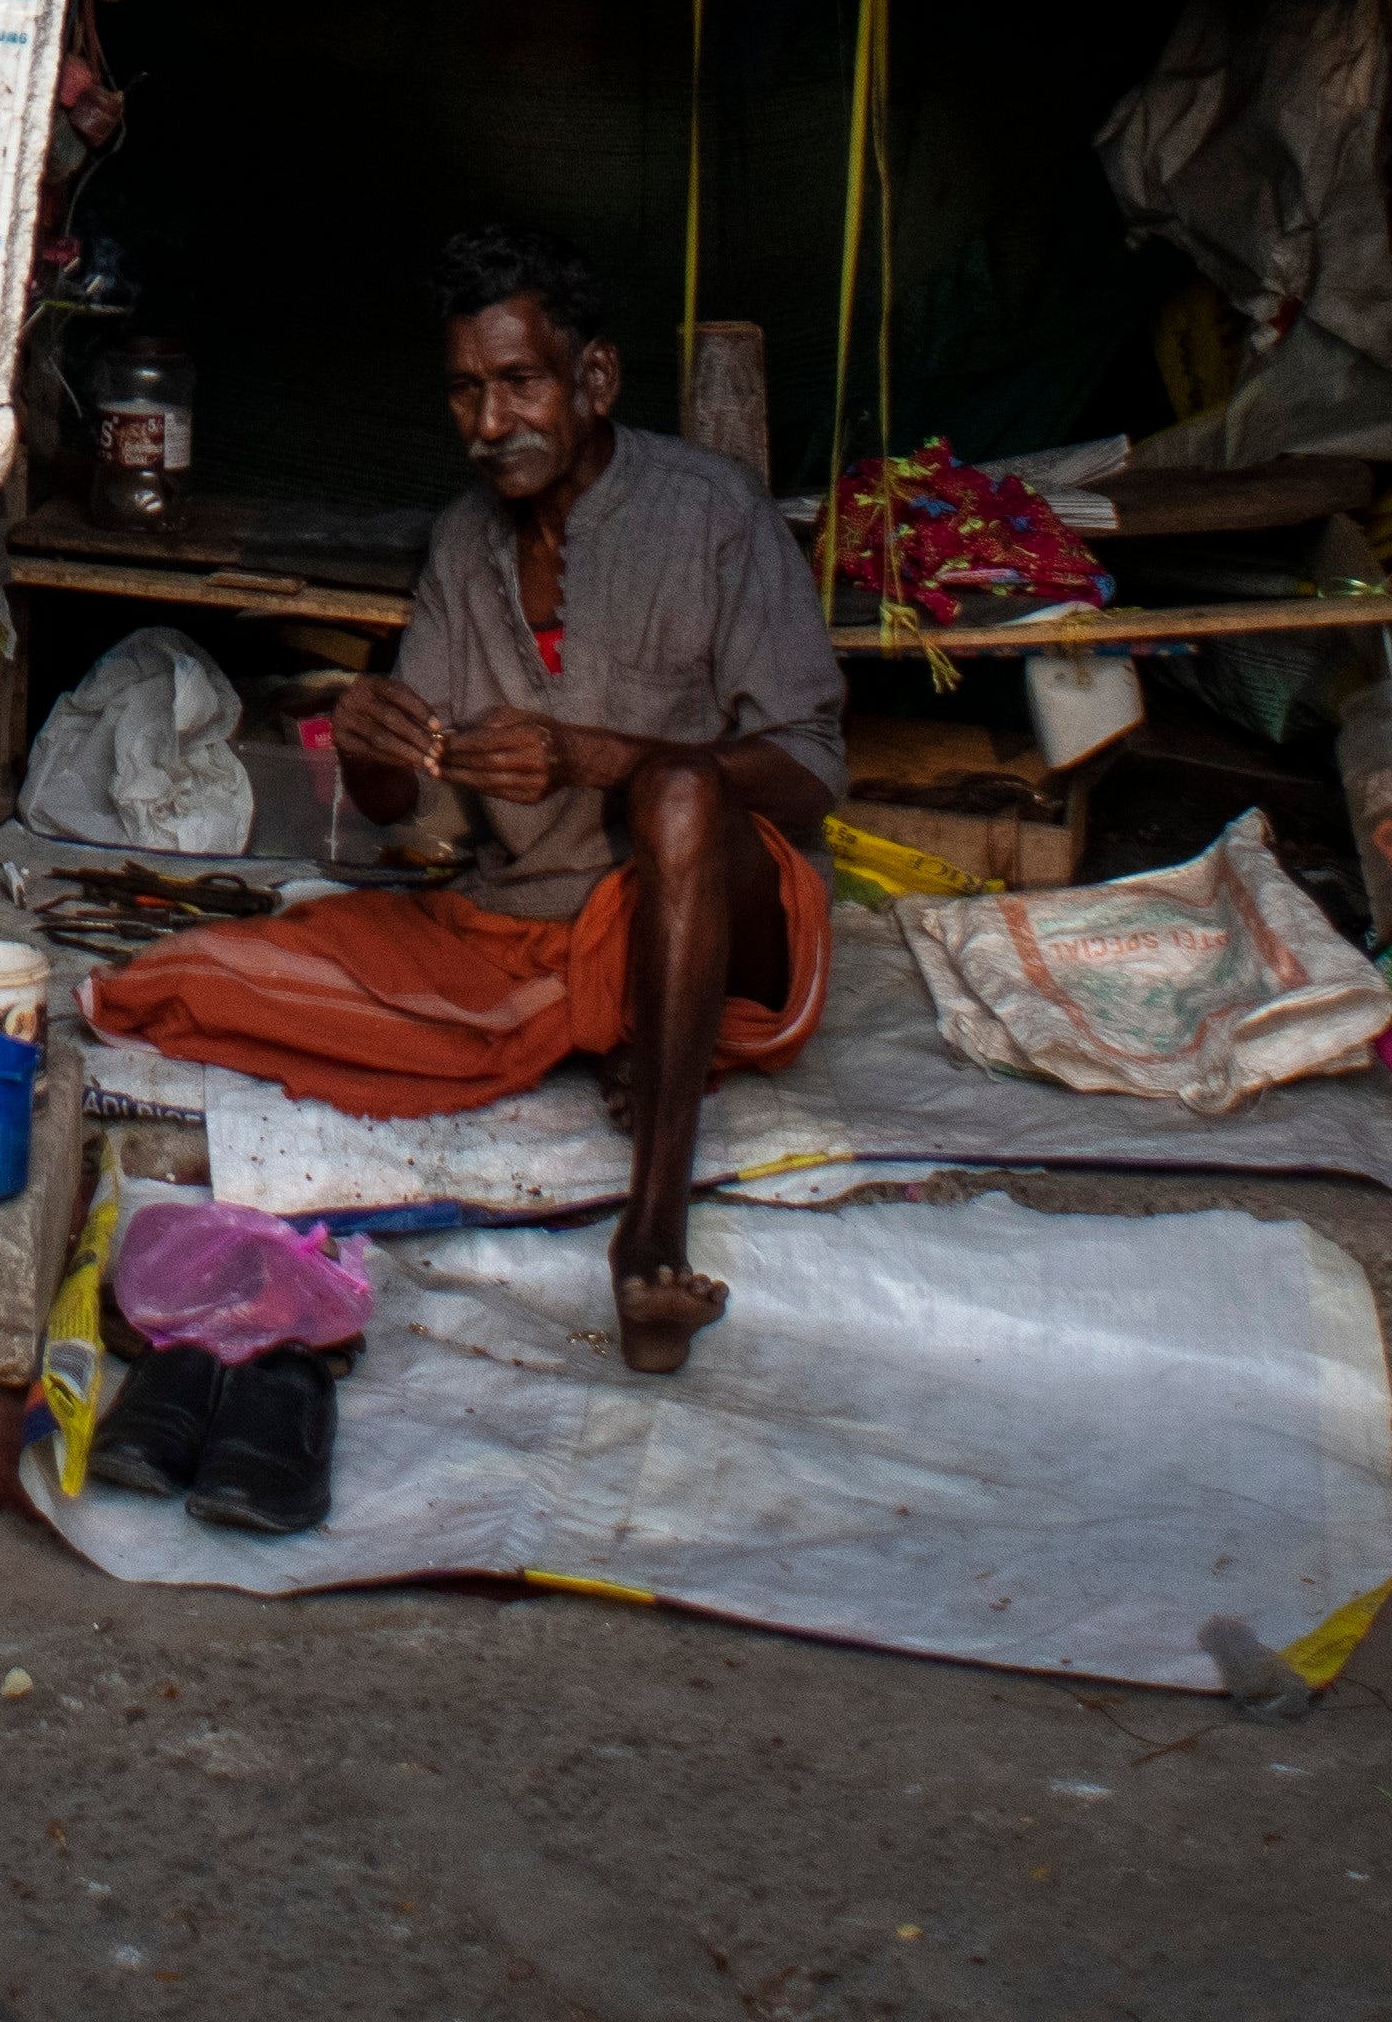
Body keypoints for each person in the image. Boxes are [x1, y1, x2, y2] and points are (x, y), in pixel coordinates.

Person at [75, 226, 845, 1372]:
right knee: (194, 977)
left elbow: (815, 763)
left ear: (594, 377)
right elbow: (393, 803)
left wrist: (601, 756)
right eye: (467, 392)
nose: (491, 424)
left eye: (521, 382)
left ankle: (652, 1229)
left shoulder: (712, 511)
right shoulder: (461, 543)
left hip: (719, 918)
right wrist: (375, 735)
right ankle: (623, 1029)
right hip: (526, 931)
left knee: (681, 787)